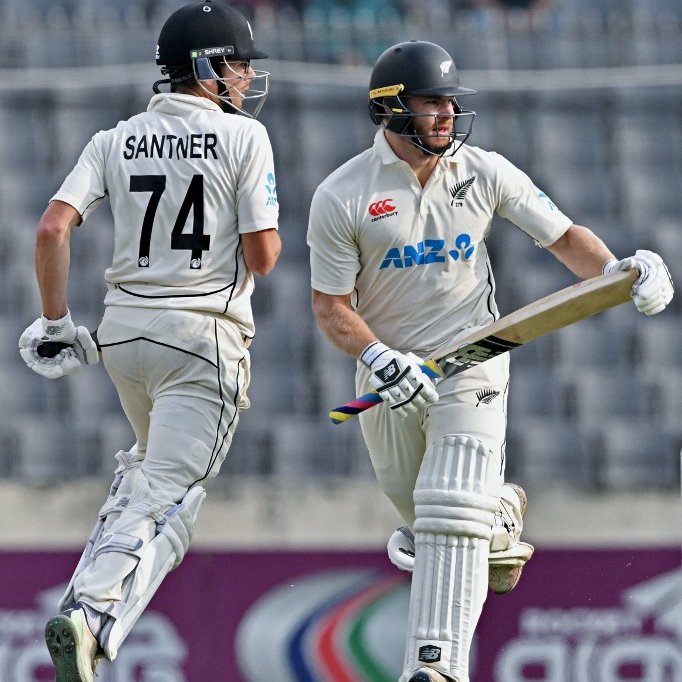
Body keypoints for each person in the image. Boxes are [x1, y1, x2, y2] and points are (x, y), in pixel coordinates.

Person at [307, 40, 673, 682]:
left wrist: (621, 273)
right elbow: (331, 307)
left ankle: (435, 666)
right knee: (427, 521)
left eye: (450, 102)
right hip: (390, 376)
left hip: (476, 353)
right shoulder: (342, 196)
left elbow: (561, 236)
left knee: (448, 505)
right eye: (431, 103)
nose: (446, 114)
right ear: (391, 110)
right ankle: (499, 511)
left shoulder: (485, 170)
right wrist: (378, 357)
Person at [18, 2, 280, 680]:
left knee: (145, 475)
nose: (248, 77)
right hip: (202, 342)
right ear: (208, 67)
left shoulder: (115, 138)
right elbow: (264, 258)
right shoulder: (244, 137)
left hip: (124, 338)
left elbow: (51, 228)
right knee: (171, 496)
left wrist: (54, 324)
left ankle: (85, 614)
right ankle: (93, 616)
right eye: (240, 63)